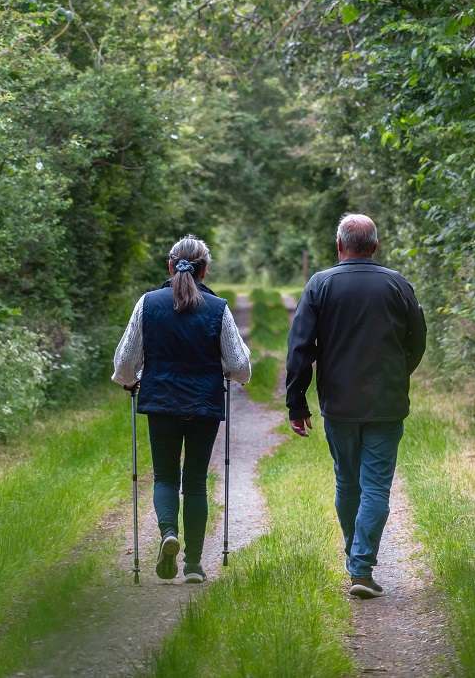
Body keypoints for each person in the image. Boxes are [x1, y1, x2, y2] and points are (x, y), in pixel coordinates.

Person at [284, 213, 427, 599]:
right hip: (386, 402)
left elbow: (300, 349)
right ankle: (360, 565)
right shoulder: (398, 285)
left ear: (339, 245)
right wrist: (398, 374)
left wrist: (297, 403)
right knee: (376, 487)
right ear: (375, 246)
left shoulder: (320, 285)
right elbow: (417, 341)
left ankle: (357, 562)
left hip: (339, 404)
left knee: (348, 482)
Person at [112, 235, 251, 583]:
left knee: (165, 476)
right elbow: (239, 364)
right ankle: (193, 565)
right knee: (196, 482)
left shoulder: (148, 303)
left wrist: (129, 380)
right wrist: (230, 374)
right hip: (204, 403)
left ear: (169, 265)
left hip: (160, 401)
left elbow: (125, 360)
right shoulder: (218, 308)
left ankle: (168, 533)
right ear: (205, 269)